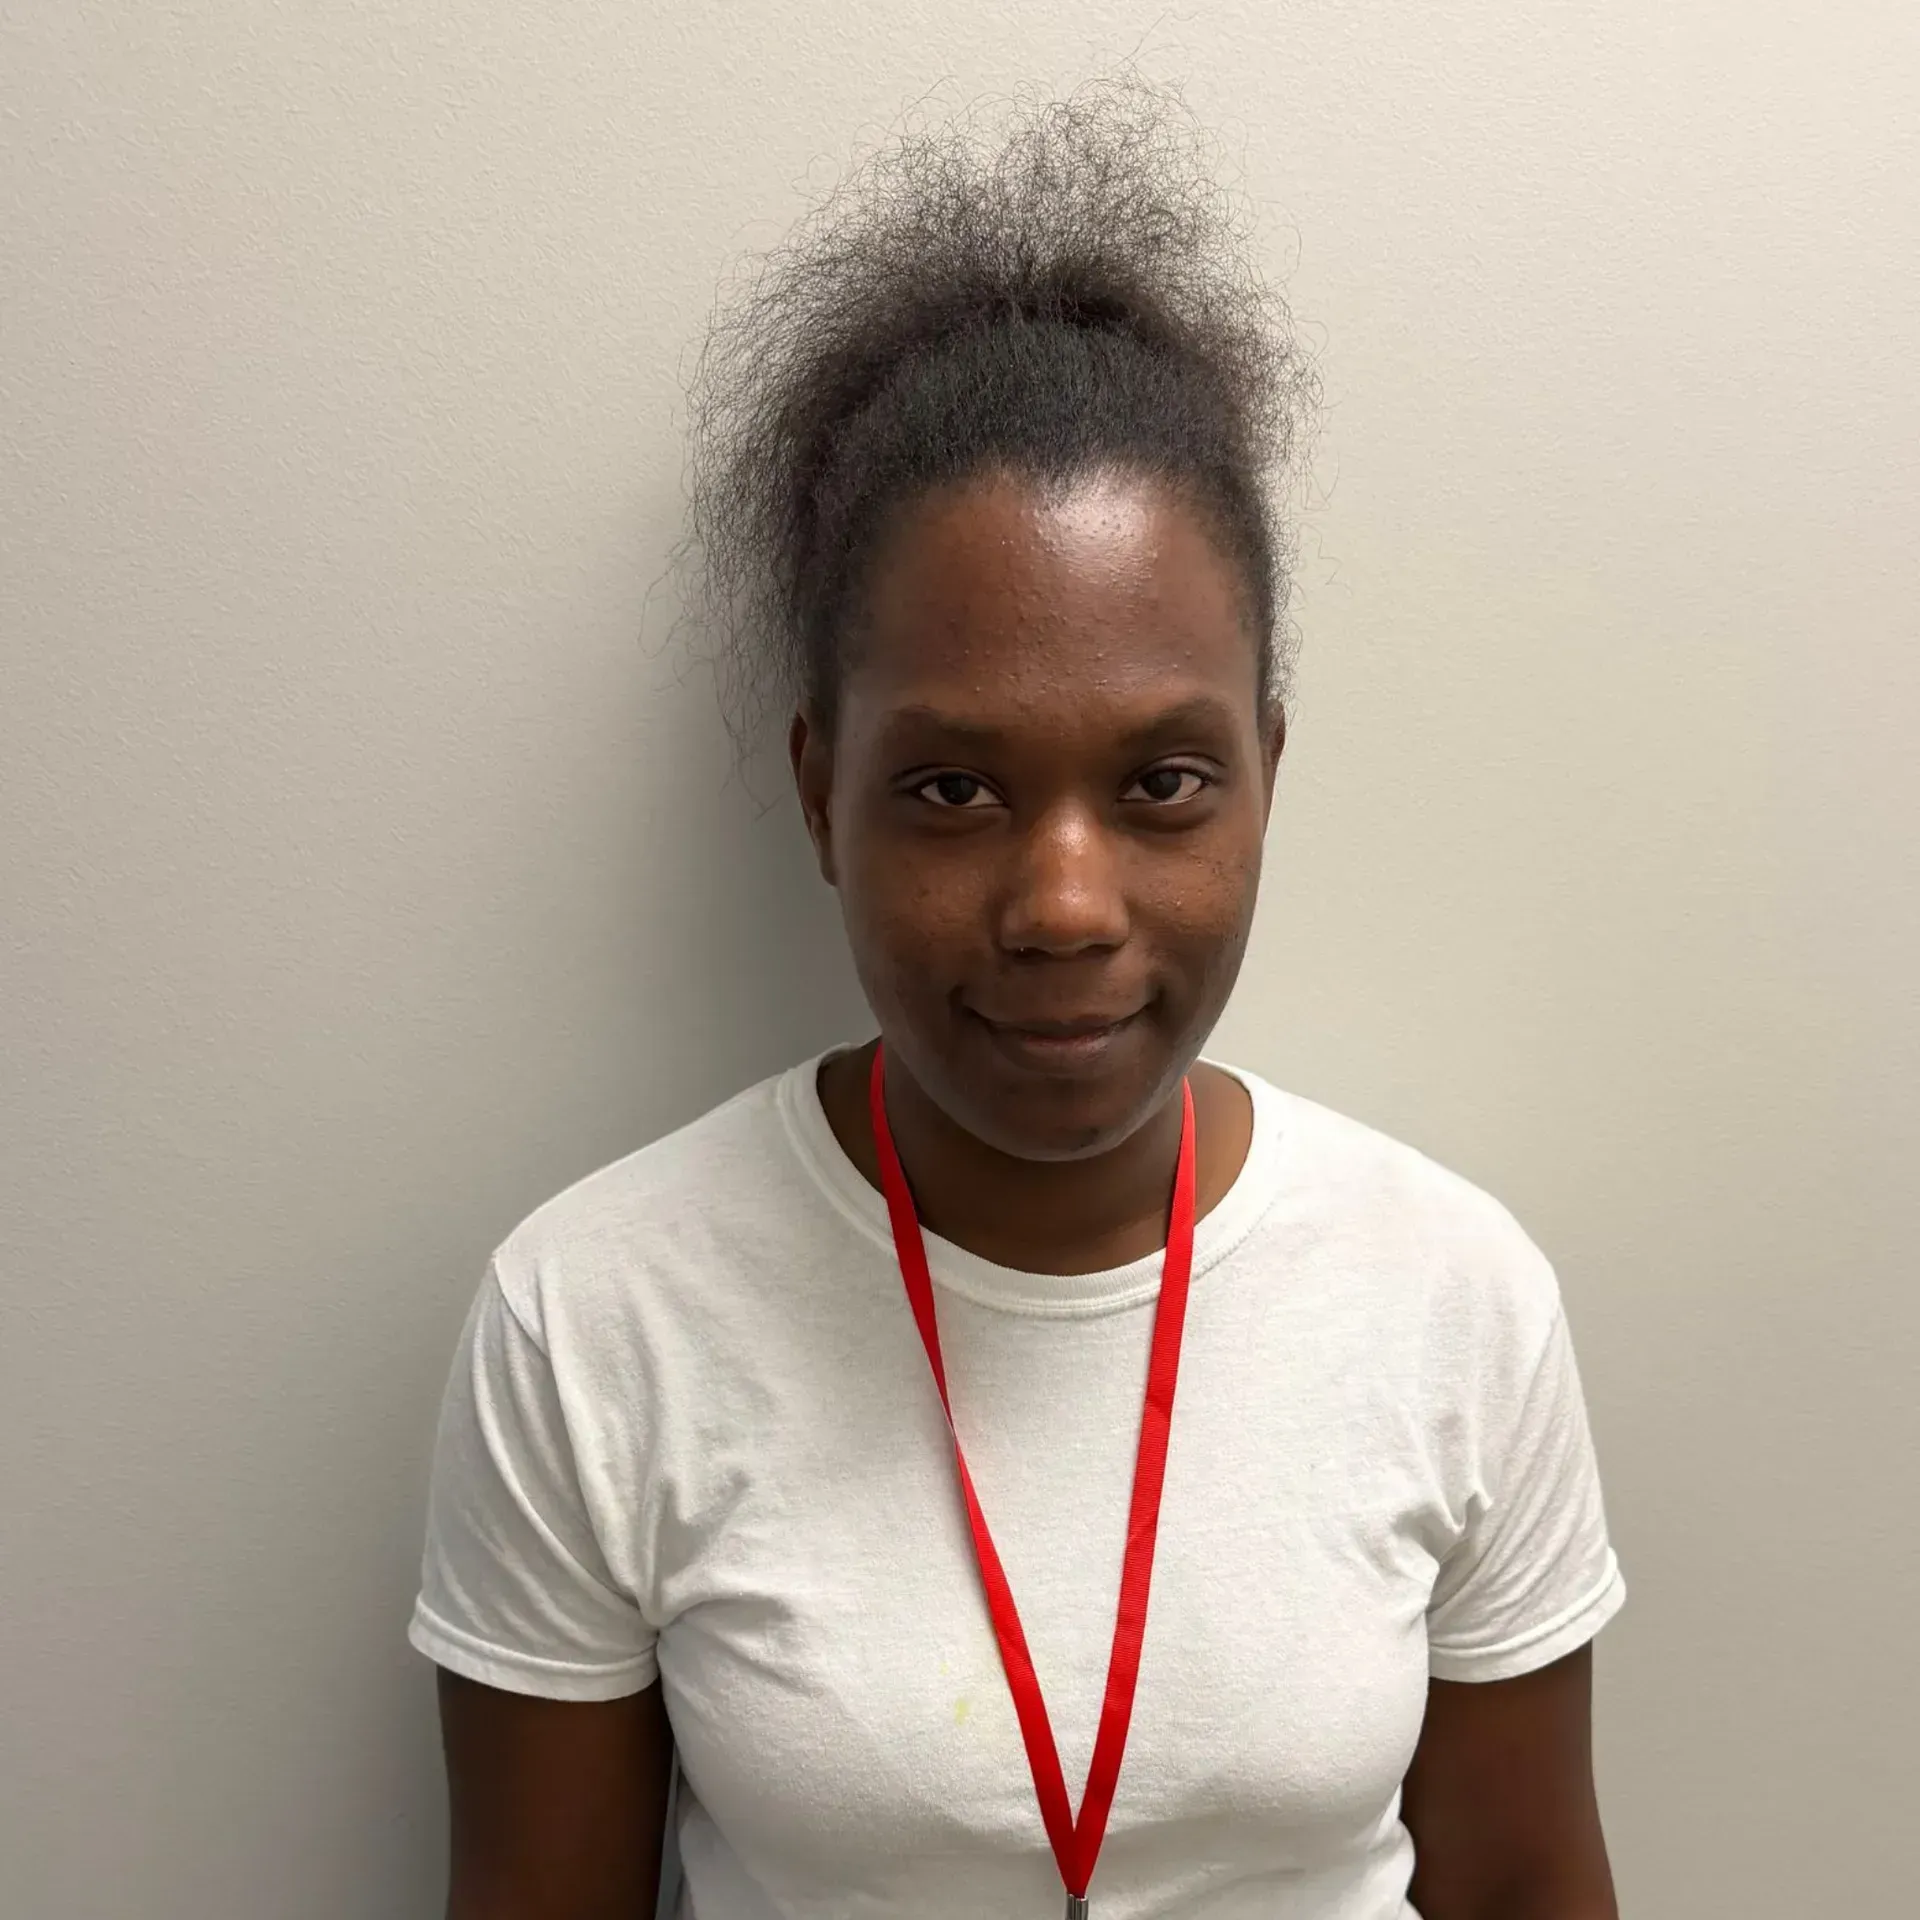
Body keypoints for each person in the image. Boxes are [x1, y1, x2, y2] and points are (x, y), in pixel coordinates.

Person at [409, 76, 1626, 1920]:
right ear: (823, 793)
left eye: (1161, 784)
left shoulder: (1457, 1301)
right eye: (956, 788)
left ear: (1267, 777)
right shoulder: (596, 1325)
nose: (1063, 905)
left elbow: (1535, 1893)